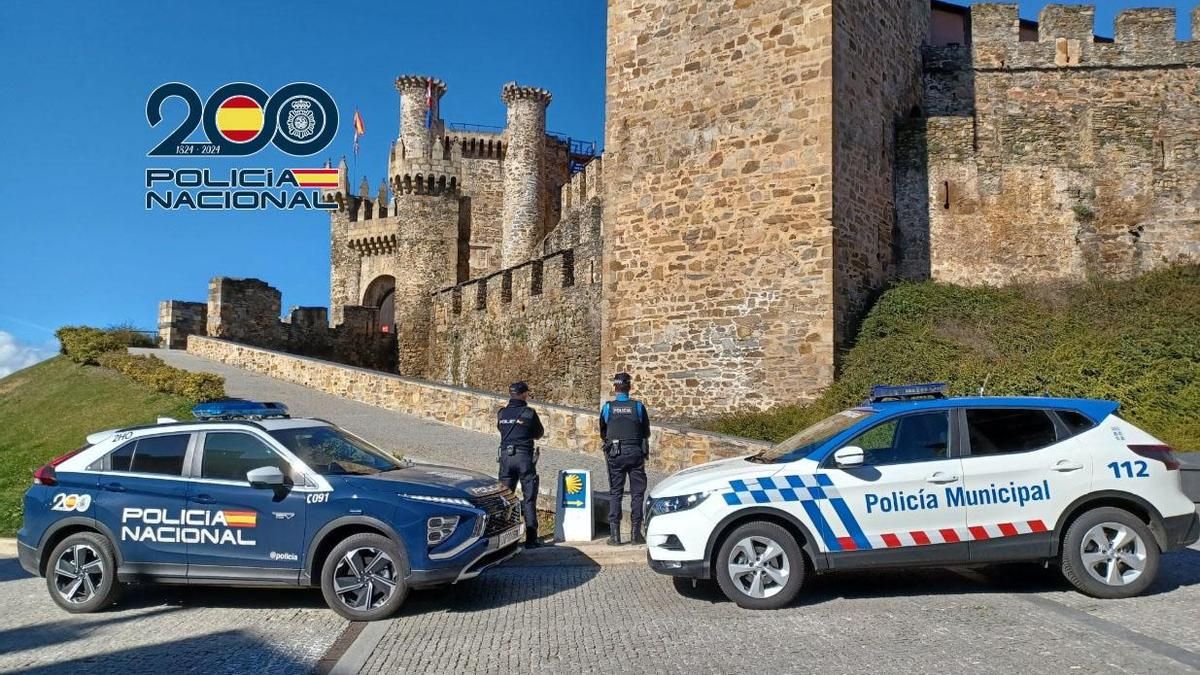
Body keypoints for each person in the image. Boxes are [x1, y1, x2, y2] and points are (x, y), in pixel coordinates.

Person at [599, 372, 651, 546]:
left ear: (615, 387)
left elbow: (603, 431)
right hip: (635, 452)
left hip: (615, 453)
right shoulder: (638, 407)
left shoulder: (608, 407)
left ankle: (615, 537)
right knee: (637, 493)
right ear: (629, 387)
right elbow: (646, 431)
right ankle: (636, 535)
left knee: (616, 493)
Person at [497, 381, 545, 548]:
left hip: (505, 459)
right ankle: (531, 539)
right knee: (529, 498)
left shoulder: (501, 414)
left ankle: (505, 541)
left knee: (504, 499)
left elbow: (501, 430)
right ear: (524, 394)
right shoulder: (529, 413)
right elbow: (539, 433)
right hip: (524, 458)